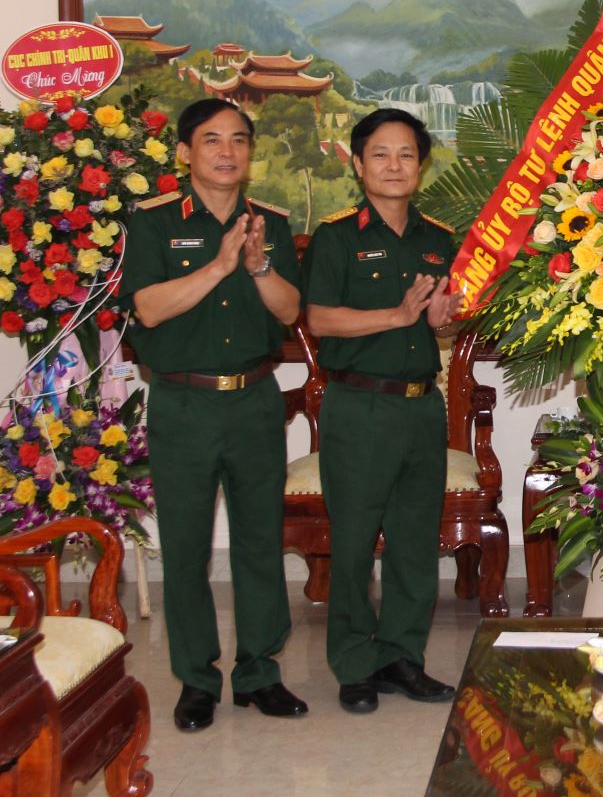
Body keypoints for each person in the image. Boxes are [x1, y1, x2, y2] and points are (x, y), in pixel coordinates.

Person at [121, 98, 306, 731]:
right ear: (185, 152)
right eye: (211, 140)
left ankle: (259, 673)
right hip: (183, 402)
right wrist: (220, 264)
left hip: (254, 400)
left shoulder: (271, 224)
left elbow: (289, 312)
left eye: (238, 140)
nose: (227, 152)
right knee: (185, 547)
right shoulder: (153, 222)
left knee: (259, 542)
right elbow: (148, 309)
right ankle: (196, 680)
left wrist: (256, 265)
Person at [302, 108, 462, 713]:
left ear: (420, 166)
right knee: (353, 543)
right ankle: (353, 663)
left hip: (422, 408)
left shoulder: (437, 239)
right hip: (359, 406)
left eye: (406, 155)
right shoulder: (338, 237)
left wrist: (439, 321)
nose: (394, 166)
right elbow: (320, 320)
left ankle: (402, 657)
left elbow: (440, 324)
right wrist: (395, 315)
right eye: (380, 154)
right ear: (358, 163)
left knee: (415, 543)